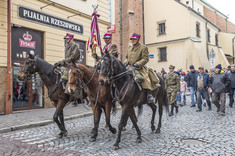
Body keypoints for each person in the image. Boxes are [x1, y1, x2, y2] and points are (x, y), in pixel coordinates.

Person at [124, 33, 160, 103]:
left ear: (138, 40)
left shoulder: (143, 48)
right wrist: (125, 62)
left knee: (144, 78)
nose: (133, 41)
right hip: (129, 67)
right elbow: (127, 58)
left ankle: (149, 94)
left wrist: (138, 64)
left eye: (135, 39)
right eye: (132, 39)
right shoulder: (129, 49)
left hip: (139, 68)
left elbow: (145, 58)